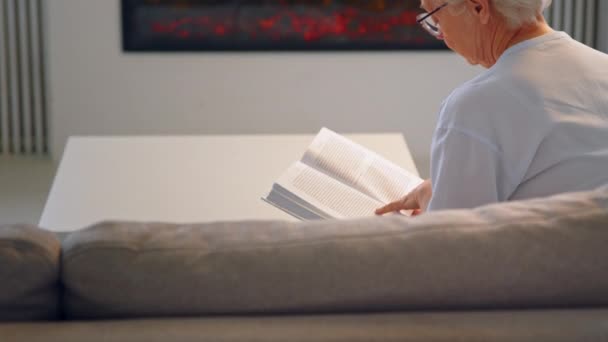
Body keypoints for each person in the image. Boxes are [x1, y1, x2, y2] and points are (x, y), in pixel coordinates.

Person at [376, 0, 608, 216]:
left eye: (436, 19)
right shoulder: (602, 66)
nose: (441, 35)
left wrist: (430, 201)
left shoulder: (474, 106)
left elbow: (450, 244)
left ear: (478, 7)